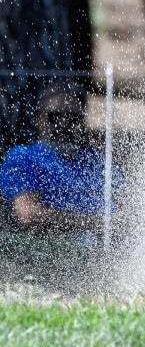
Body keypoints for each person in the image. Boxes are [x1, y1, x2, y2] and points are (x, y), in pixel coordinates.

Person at [0, 82, 125, 244]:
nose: (63, 124)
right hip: (57, 251)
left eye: (73, 118)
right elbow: (29, 215)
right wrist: (103, 222)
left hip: (110, 248)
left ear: (82, 122)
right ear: (39, 120)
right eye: (54, 117)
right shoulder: (23, 157)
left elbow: (127, 202)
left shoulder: (97, 160)